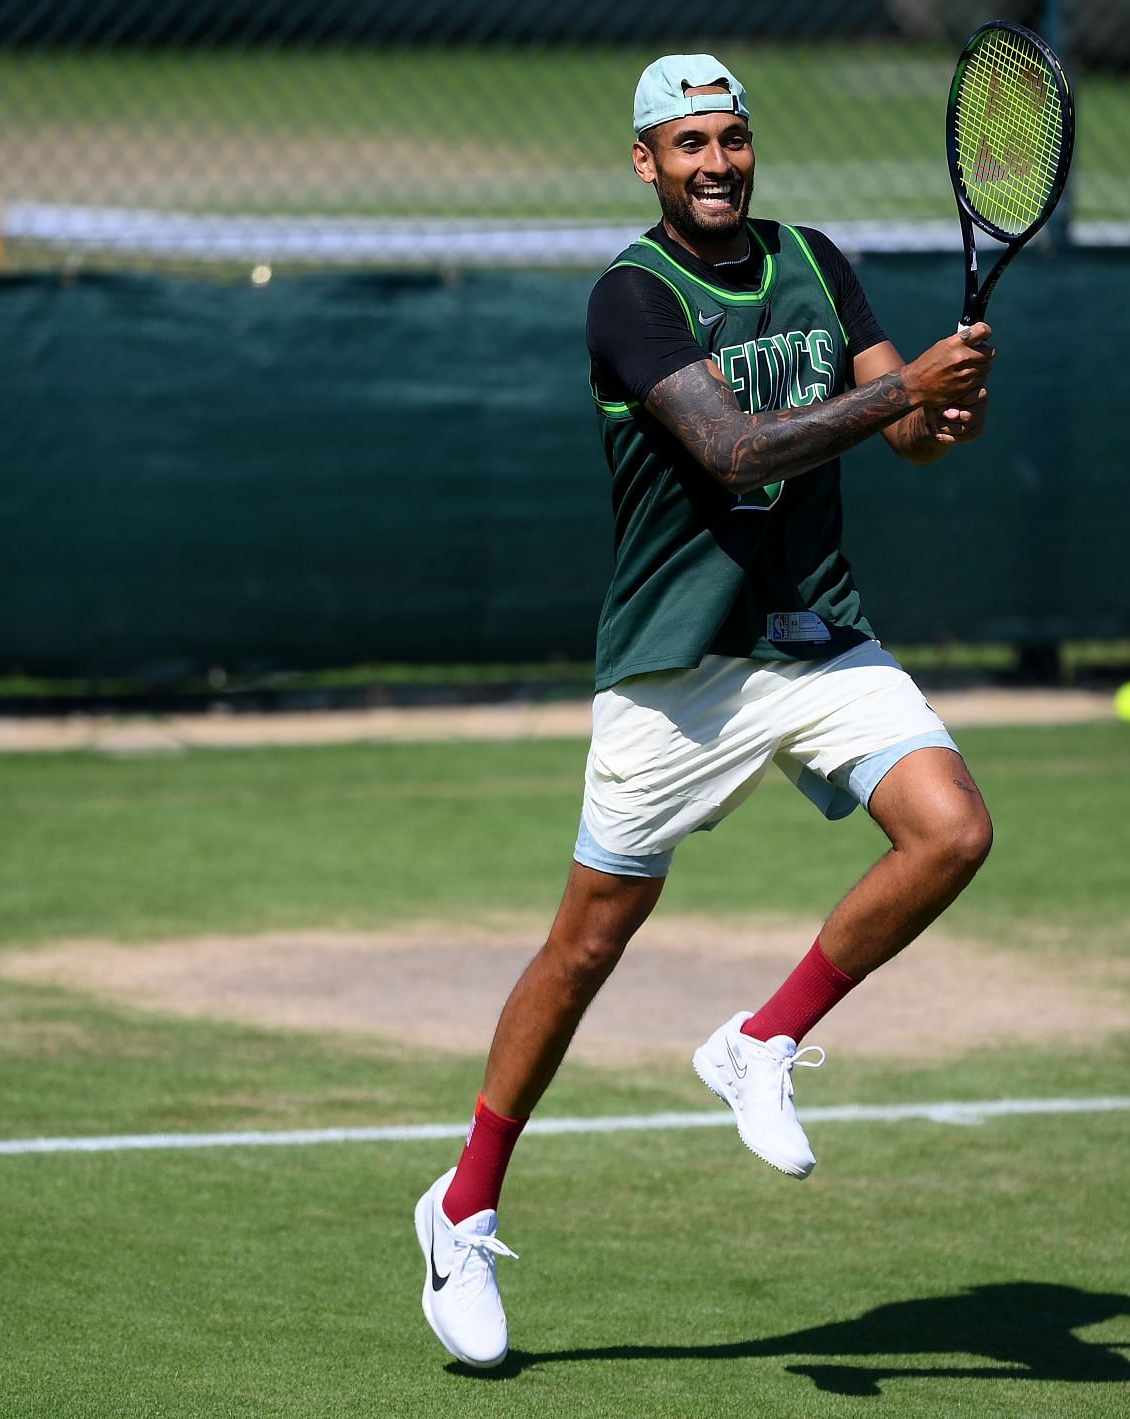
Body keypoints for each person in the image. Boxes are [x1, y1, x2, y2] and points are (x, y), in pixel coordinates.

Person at [414, 54, 997, 1370]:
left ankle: (763, 1037)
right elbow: (734, 449)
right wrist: (905, 394)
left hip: (817, 636)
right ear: (646, 163)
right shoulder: (631, 295)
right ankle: (461, 1209)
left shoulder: (816, 258)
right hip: (680, 668)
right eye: (689, 145)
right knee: (585, 949)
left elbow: (908, 435)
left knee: (952, 832)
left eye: (732, 139)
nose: (719, 164)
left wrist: (945, 407)